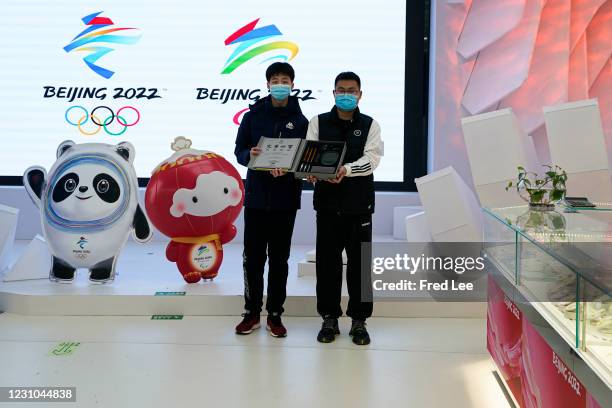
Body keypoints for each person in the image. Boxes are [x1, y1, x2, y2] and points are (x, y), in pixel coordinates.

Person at [306, 72, 383, 345]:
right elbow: (308, 156)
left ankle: (359, 321)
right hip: (327, 206)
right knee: (327, 265)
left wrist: (346, 170)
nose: (346, 94)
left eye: (351, 90)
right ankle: (329, 318)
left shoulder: (370, 125)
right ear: (333, 92)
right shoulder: (317, 122)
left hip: (359, 205)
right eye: (341, 90)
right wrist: (310, 172)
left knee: (360, 266)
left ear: (360, 94)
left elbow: (372, 160)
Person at [234, 62, 308, 337]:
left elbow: (304, 159)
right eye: (275, 80)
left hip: (285, 199)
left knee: (279, 259)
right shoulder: (252, 116)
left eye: (285, 80)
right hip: (255, 198)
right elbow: (239, 149)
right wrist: (250, 155)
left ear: (292, 84)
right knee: (252, 259)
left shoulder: (301, 121)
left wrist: (290, 170)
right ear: (267, 84)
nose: (280, 84)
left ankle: (275, 315)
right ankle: (251, 312)